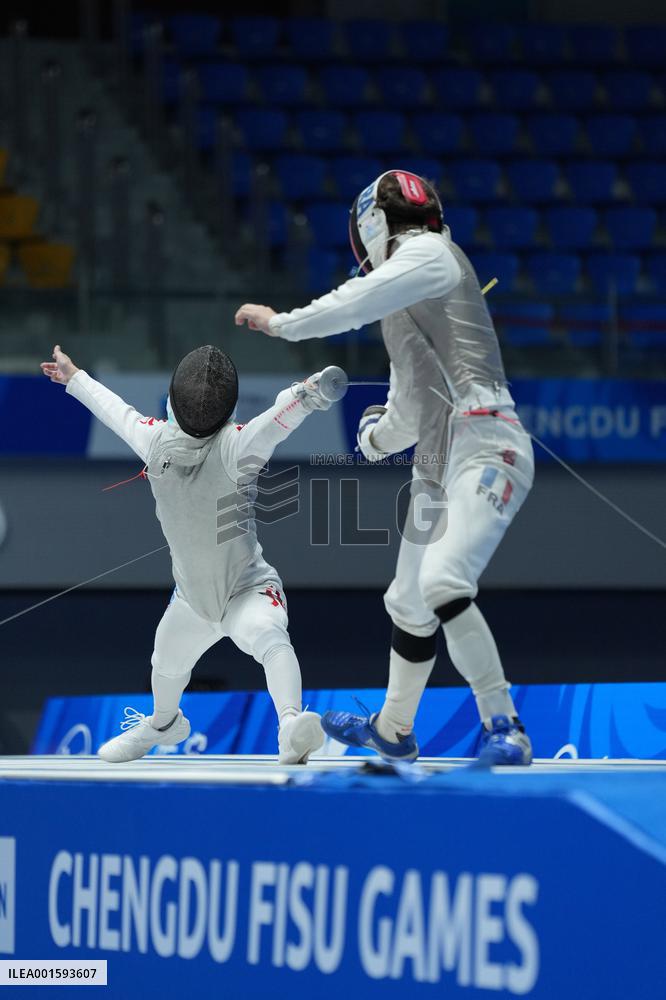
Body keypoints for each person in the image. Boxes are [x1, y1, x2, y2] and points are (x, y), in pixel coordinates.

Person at [235, 170, 535, 766]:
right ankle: (394, 729)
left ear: (372, 226)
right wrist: (376, 439)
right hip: (434, 467)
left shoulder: (430, 254)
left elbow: (352, 303)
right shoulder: (402, 304)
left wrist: (281, 324)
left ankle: (505, 725)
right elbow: (414, 403)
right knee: (406, 601)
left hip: (488, 445)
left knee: (443, 582)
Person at [40, 343, 340, 765]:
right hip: (193, 601)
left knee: (270, 638)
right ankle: (164, 725)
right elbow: (276, 421)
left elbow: (276, 419)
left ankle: (290, 727)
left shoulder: (189, 443)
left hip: (247, 590)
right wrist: (308, 395)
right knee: (165, 662)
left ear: (172, 401)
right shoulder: (177, 443)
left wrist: (305, 396)